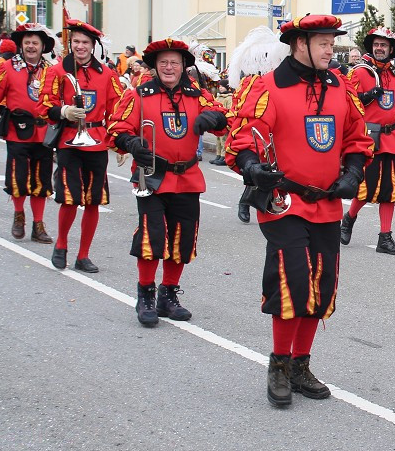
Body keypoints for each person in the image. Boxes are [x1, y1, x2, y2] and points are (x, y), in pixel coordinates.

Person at [226, 14, 373, 407]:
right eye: (323, 42)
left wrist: (354, 171)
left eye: (331, 42)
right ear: (299, 45)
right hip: (285, 203)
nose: (330, 49)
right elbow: (242, 138)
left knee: (321, 288)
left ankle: (300, 364)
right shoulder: (268, 87)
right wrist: (253, 166)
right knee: (292, 281)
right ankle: (278, 364)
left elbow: (358, 138)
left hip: (326, 203)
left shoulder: (341, 86)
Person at [107, 38, 228, 326]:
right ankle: (145, 293)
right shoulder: (140, 94)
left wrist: (212, 118)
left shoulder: (196, 94)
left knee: (182, 239)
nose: (169, 67)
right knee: (153, 236)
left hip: (186, 175)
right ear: (155, 66)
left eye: (175, 62)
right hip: (150, 175)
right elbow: (115, 128)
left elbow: (227, 119)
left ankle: (168, 294)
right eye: (163, 62)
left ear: (184, 65)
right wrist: (131, 142)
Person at [38, 19, 123, 273]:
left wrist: (119, 143)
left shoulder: (107, 74)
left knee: (93, 201)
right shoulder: (57, 71)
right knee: (70, 198)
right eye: (76, 41)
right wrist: (63, 110)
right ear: (70, 43)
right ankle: (61, 245)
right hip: (69, 142)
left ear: (93, 45)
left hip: (96, 142)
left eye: (85, 42)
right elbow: (43, 105)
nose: (80, 46)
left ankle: (83, 255)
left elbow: (118, 111)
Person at [0, 23, 57, 242]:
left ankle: (38, 224)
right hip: (17, 131)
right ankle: (19, 216)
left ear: (42, 46)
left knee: (42, 181)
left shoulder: (51, 70)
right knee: (18, 180)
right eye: (27, 42)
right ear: (21, 45)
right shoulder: (8, 67)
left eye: (34, 43)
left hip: (44, 133)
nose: (30, 46)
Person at [341, 27, 395, 255]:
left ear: (391, 49)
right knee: (366, 186)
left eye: (384, 45)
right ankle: (349, 218)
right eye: (376, 44)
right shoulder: (359, 73)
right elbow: (347, 104)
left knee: (391, 189)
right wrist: (364, 98)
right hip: (368, 138)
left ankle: (385, 238)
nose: (379, 48)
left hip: (393, 138)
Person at [225, 26, 291, 223]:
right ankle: (246, 202)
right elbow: (239, 108)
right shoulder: (250, 84)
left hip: (277, 133)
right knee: (255, 164)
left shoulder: (281, 80)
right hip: (253, 130)